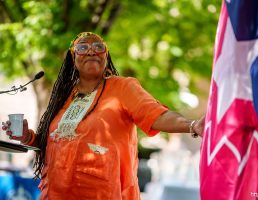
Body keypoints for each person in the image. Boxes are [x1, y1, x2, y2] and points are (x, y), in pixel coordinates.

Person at [2, 32, 204, 200]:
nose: (91, 51)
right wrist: (28, 138)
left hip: (103, 194)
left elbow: (156, 115)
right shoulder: (63, 96)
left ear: (106, 56)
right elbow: (55, 143)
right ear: (73, 58)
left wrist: (192, 125)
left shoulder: (123, 87)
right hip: (56, 194)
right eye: (82, 47)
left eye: (98, 47)